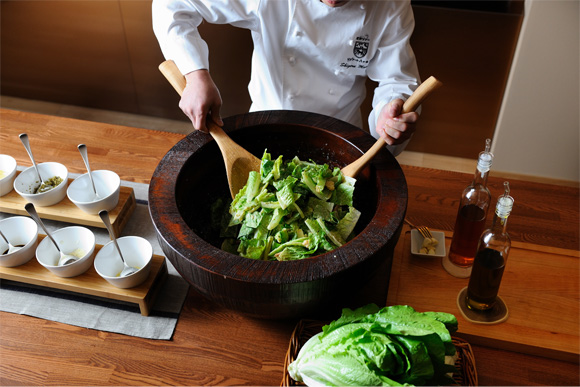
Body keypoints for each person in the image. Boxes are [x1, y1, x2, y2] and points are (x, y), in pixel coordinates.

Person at [153, 0, 421, 156]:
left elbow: (397, 81)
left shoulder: (391, 4)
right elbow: (172, 4)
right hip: (267, 130)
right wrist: (195, 73)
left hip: (342, 137)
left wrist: (391, 112)